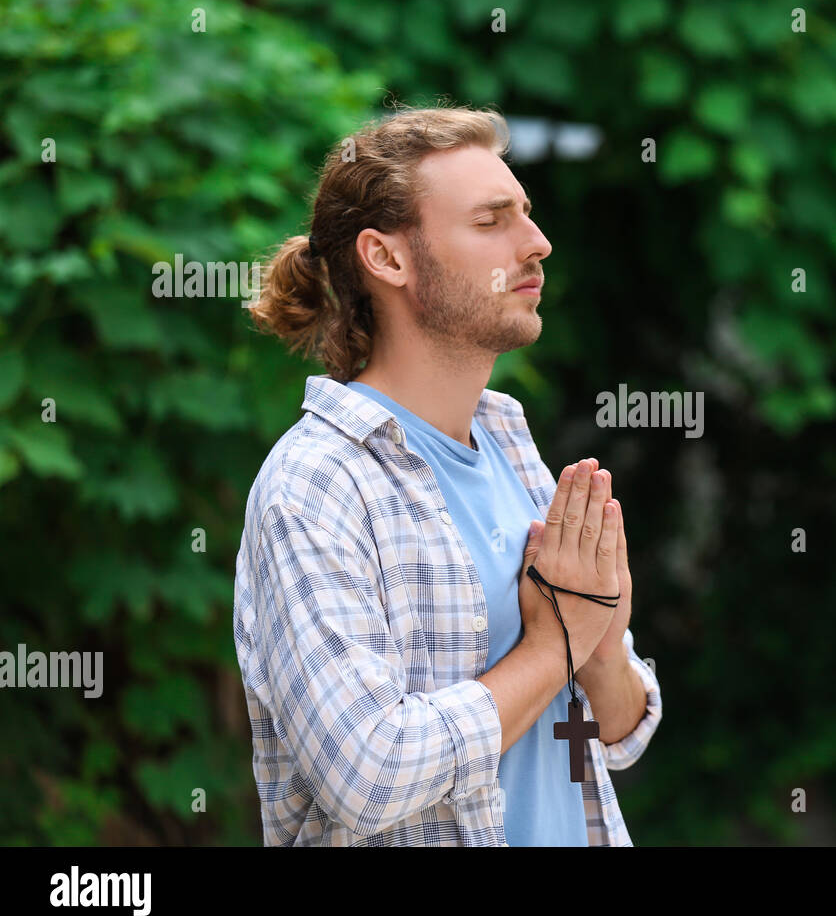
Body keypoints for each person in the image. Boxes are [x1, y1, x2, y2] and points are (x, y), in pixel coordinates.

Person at [232, 103, 663, 846]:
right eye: (492, 222)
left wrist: (600, 643)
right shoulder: (316, 485)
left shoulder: (508, 443)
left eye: (524, 214)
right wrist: (555, 644)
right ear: (388, 258)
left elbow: (620, 732)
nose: (538, 243)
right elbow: (368, 778)